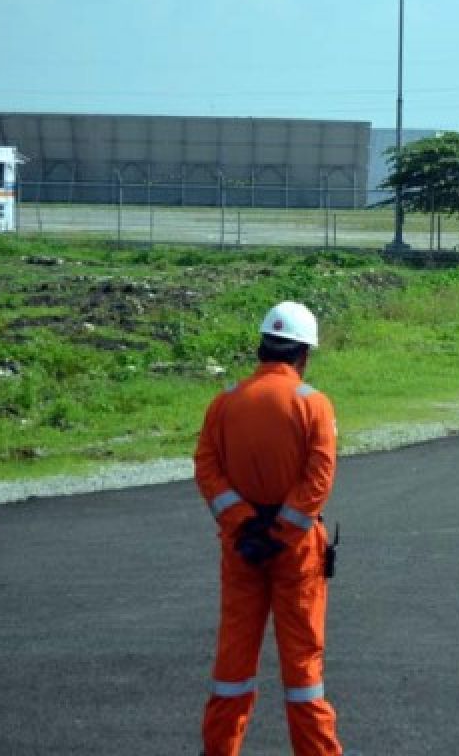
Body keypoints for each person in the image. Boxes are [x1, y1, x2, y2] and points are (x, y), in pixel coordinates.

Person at [195, 301, 344, 756]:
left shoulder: (225, 402)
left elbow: (207, 468)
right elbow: (318, 478)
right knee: (302, 667)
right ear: (302, 354)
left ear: (262, 349)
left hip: (242, 550)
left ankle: (219, 749)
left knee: (234, 658)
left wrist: (244, 523)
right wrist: (281, 531)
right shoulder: (312, 405)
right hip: (295, 552)